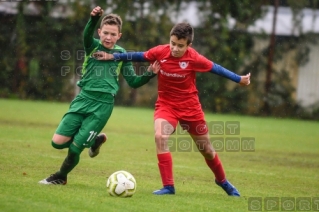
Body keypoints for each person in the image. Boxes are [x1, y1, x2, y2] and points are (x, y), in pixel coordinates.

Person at [94, 22, 251, 196]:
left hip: (191, 108)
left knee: (206, 149)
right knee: (160, 136)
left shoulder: (194, 58)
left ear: (188, 45)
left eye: (180, 46)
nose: (175, 48)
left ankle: (222, 181)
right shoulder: (160, 52)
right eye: (173, 43)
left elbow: (217, 68)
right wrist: (112, 57)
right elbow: (139, 56)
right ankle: (168, 187)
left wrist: (239, 79)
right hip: (166, 106)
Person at [39, 6, 156, 185]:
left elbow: (133, 82)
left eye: (113, 34)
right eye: (105, 33)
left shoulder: (121, 54)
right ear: (100, 32)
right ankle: (93, 140)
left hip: (102, 106)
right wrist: (93, 19)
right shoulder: (92, 46)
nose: (108, 37)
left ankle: (60, 176)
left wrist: (149, 72)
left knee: (75, 149)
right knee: (57, 143)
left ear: (119, 36)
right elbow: (86, 35)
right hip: (82, 99)